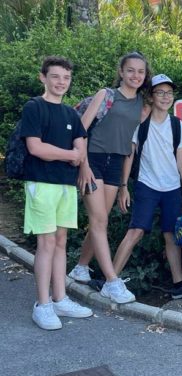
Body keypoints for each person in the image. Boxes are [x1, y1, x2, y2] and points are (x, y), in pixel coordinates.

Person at [67, 52, 151, 304]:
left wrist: (125, 185)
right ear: (121, 72)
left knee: (99, 221)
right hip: (92, 158)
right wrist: (82, 164)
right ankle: (112, 281)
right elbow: (81, 128)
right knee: (99, 220)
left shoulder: (143, 107)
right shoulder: (107, 95)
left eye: (140, 72)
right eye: (130, 70)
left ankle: (81, 267)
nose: (135, 75)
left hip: (116, 163)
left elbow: (131, 148)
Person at [111, 74, 182, 299]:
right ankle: (111, 279)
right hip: (146, 185)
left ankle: (179, 284)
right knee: (136, 231)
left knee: (171, 235)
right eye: (160, 92)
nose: (165, 97)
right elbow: (129, 155)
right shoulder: (140, 123)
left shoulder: (177, 125)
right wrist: (123, 187)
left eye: (169, 93)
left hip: (171, 188)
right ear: (150, 95)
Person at [21, 56, 93, 330]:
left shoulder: (72, 114)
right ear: (43, 78)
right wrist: (69, 154)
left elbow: (80, 151)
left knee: (61, 241)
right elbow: (36, 148)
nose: (61, 82)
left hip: (65, 185)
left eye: (66, 78)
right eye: (55, 77)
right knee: (46, 243)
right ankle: (43, 304)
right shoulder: (34, 107)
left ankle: (60, 298)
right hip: (41, 183)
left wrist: (70, 155)